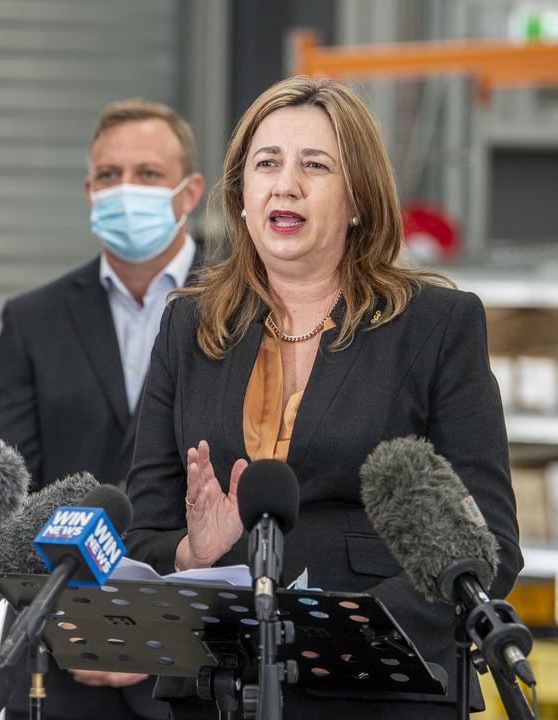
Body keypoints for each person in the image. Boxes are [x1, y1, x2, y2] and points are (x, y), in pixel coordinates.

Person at [125, 75, 520, 717]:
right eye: (266, 164)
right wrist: (189, 553)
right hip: (219, 685)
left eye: (316, 165)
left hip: (384, 684)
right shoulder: (188, 326)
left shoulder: (435, 324)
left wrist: (341, 633)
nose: (287, 184)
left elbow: (488, 543)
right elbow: (143, 534)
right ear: (242, 195)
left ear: (358, 198)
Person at [0, 98, 205, 720]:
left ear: (189, 193)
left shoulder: (248, 307)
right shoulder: (34, 320)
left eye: (148, 174)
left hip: (203, 666)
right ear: (88, 191)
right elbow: (8, 499)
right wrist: (90, 621)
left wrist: (160, 630)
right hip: (59, 654)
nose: (125, 189)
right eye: (109, 175)